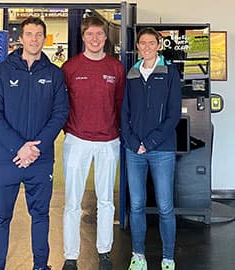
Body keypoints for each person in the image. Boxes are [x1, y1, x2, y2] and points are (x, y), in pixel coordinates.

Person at [0, 17, 69, 270]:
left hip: (39, 161)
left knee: (41, 215)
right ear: (20, 38)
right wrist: (19, 147)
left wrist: (36, 148)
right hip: (5, 159)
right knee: (1, 218)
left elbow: (60, 114)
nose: (34, 39)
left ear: (44, 38)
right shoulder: (0, 72)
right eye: (29, 34)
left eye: (39, 34)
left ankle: (41, 266)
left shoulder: (54, 75)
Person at [60, 16, 125, 270]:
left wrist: (115, 131)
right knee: (72, 201)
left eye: (99, 34)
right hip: (77, 140)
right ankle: (71, 255)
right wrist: (70, 130)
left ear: (105, 37)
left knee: (106, 199)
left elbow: (119, 103)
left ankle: (104, 252)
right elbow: (61, 104)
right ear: (83, 37)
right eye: (90, 35)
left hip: (108, 141)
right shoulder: (70, 68)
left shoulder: (116, 68)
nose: (95, 39)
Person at [121, 27, 182, 270]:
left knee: (165, 206)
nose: (146, 47)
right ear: (138, 47)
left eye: (151, 43)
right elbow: (124, 112)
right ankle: (138, 256)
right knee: (136, 205)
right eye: (142, 43)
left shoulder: (169, 72)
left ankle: (168, 257)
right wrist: (134, 142)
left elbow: (173, 114)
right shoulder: (132, 74)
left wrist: (152, 142)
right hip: (134, 150)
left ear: (158, 45)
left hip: (162, 149)